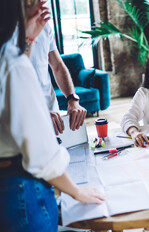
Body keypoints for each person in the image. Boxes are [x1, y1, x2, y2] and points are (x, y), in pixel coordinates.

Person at [0, 1, 105, 232]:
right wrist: (76, 191)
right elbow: (42, 155)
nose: (40, 6)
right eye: (29, 4)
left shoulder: (15, 49)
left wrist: (28, 39)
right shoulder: (11, 63)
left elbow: (55, 64)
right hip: (19, 187)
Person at [24, 0, 87, 135]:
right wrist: (39, 113)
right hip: (24, 118)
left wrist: (72, 99)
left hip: (53, 113)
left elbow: (57, 65)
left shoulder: (44, 27)